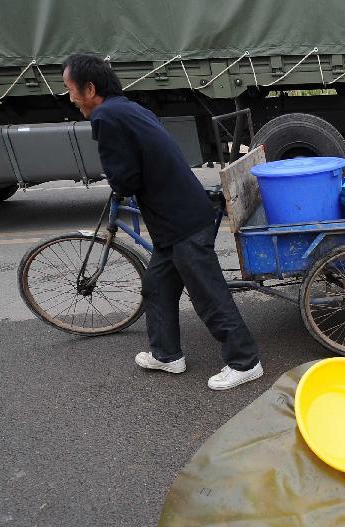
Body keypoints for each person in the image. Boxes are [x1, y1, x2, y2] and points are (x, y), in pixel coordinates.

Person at [61, 54, 263, 391]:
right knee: (156, 286)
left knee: (208, 296)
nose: (70, 98)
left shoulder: (106, 118)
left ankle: (246, 361)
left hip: (180, 220)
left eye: (71, 90)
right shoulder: (128, 107)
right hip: (176, 218)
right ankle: (167, 354)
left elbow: (124, 178)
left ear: (90, 88)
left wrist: (119, 185)